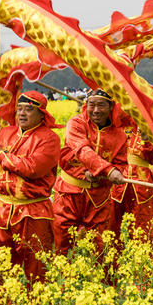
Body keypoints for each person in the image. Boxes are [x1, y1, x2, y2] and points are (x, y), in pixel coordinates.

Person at [0, 91, 61, 288]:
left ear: (42, 115)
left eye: (29, 110)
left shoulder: (49, 139)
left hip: (33, 212)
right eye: (20, 109)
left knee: (37, 269)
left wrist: (1, 156)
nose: (22, 113)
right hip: (1, 211)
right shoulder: (5, 133)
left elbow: (33, 168)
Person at [52, 89, 128, 255]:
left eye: (101, 105)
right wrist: (101, 170)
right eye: (91, 105)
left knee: (99, 247)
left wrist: (113, 174)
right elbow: (81, 149)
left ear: (111, 107)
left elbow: (122, 165)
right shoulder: (76, 123)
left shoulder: (120, 135)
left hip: (99, 198)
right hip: (68, 193)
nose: (95, 110)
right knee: (62, 242)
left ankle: (100, 280)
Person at [110, 126, 153, 241]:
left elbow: (152, 159)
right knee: (112, 225)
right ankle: (111, 257)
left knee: (143, 225)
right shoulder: (121, 126)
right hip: (118, 183)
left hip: (142, 185)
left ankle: (144, 257)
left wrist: (147, 140)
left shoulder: (152, 127)